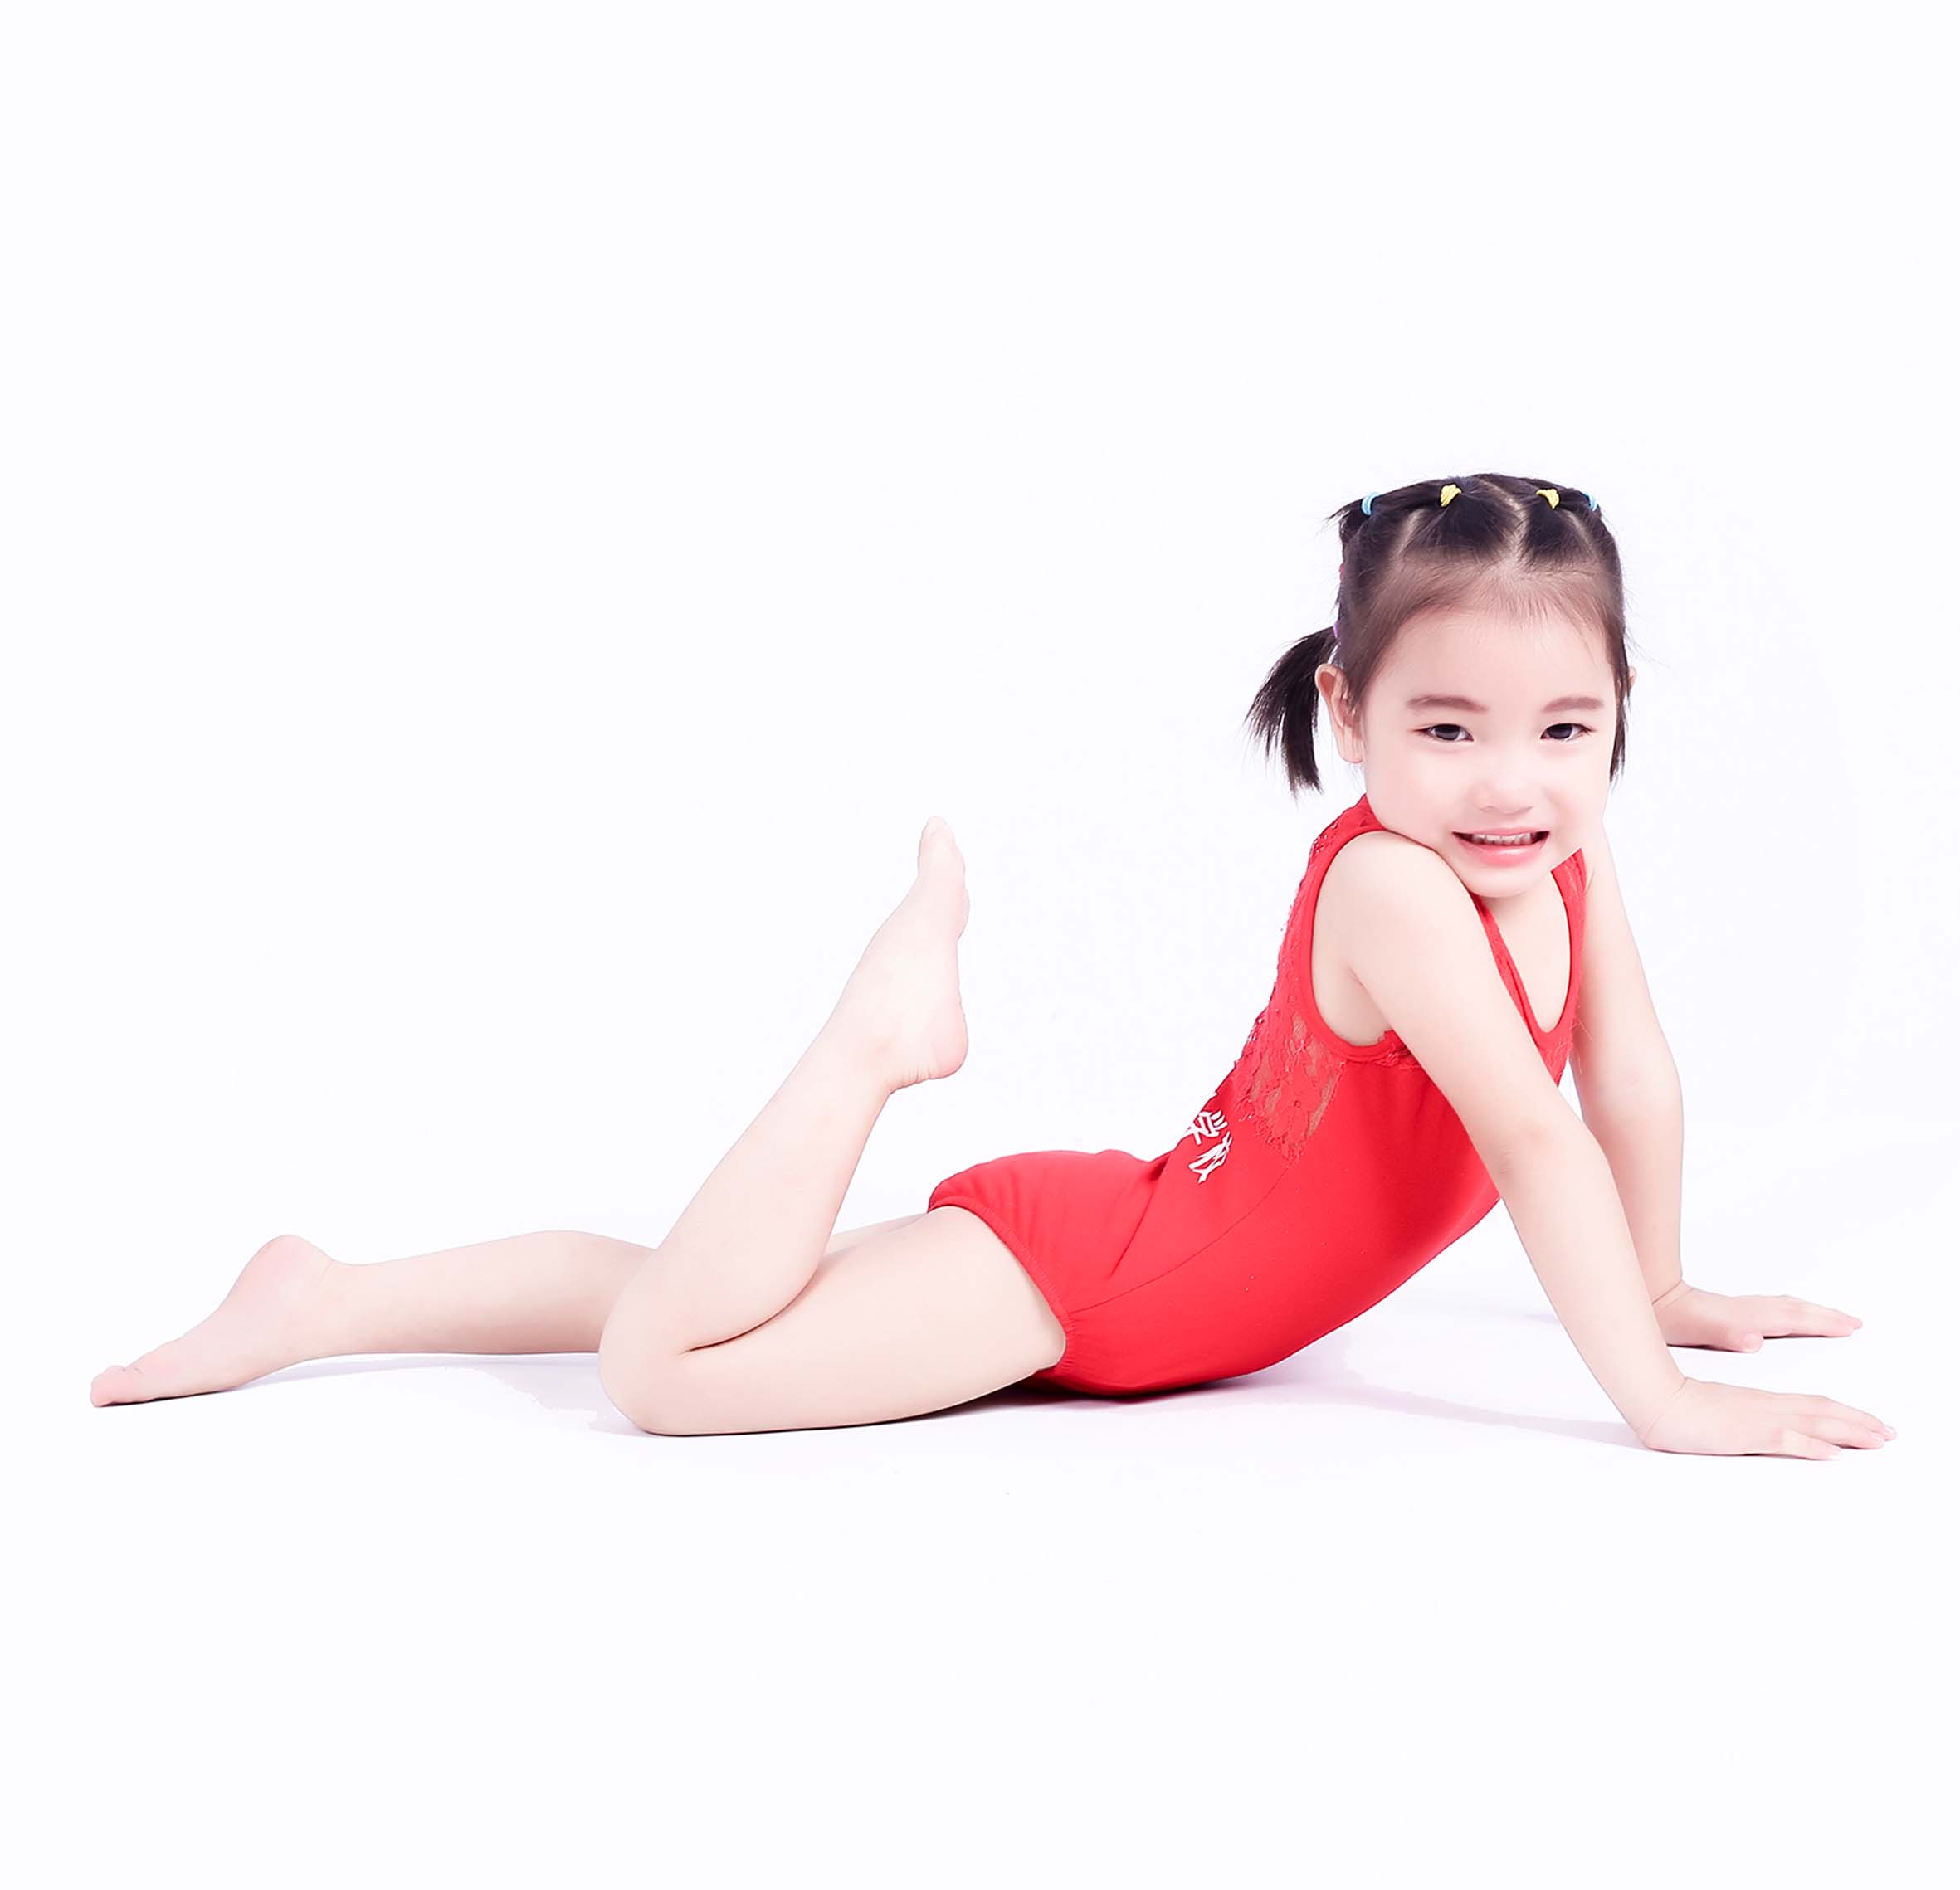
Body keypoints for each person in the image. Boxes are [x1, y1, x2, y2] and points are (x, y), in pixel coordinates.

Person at [89, 473, 1895, 1458]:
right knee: (670, 1369)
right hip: (1094, 1293)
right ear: (1347, 716)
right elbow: (1534, 1137)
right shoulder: (1396, 893)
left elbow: (1626, 1073)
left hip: (1125, 1233)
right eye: (1448, 727)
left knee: (700, 1290)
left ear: (1615, 714)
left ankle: (326, 1295)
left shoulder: (1559, 848)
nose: (1511, 782)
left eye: (1565, 727)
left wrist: (1663, 1282)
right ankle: (875, 1039)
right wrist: (1654, 1399)